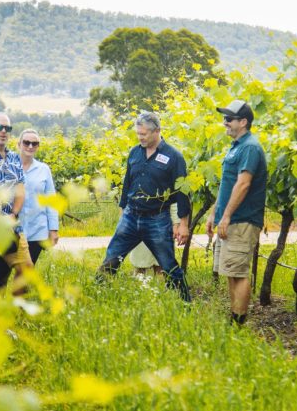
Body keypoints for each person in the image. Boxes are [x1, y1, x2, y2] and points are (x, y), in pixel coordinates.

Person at [96, 111, 191, 302]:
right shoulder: (134, 152)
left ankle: (184, 302)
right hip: (131, 216)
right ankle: (97, 294)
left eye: (144, 134)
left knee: (168, 264)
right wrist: (123, 211)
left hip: (157, 219)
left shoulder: (173, 157)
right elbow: (128, 183)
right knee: (112, 257)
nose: (140, 137)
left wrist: (183, 223)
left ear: (157, 131)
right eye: (138, 133)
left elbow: (183, 192)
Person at [206, 100, 267, 325]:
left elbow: (243, 184)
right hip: (229, 219)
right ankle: (234, 317)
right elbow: (227, 184)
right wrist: (215, 213)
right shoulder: (237, 147)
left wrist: (228, 215)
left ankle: (238, 323)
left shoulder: (250, 147)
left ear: (243, 122)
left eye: (229, 119)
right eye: (224, 118)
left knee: (239, 272)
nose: (225, 123)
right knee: (232, 271)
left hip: (242, 220)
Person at [0, 112, 33, 295]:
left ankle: (16, 310)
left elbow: (20, 190)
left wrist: (13, 215)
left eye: (8, 128)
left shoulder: (14, 158)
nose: (4, 131)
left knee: (26, 269)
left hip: (12, 226)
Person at [18, 128, 59, 264]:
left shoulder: (43, 169)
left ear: (38, 147)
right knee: (1, 273)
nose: (30, 146)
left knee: (26, 273)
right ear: (19, 144)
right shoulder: (9, 167)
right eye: (26, 142)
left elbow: (51, 201)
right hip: (12, 230)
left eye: (34, 144)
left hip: (36, 231)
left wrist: (53, 229)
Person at [129, 203, 179, 276]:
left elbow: (173, 203)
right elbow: (125, 202)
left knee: (162, 265)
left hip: (163, 224)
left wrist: (176, 224)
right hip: (140, 222)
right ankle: (138, 282)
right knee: (139, 261)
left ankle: (161, 284)